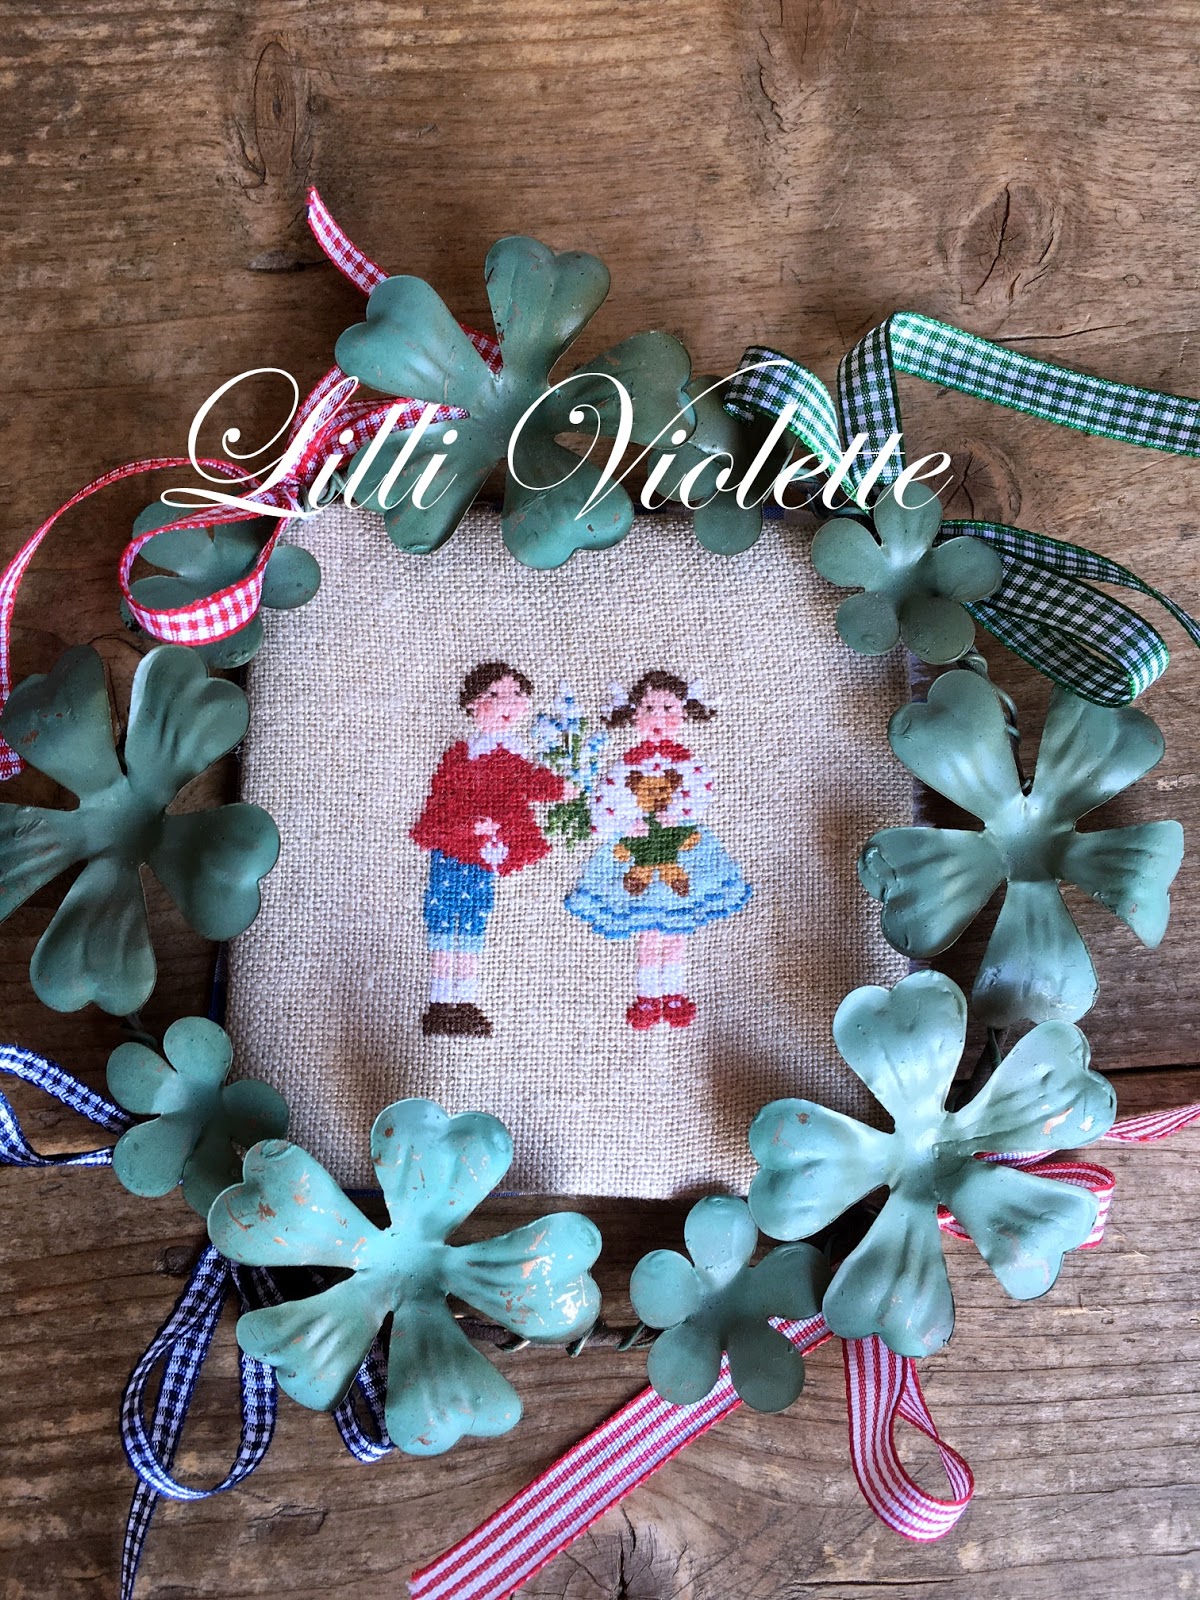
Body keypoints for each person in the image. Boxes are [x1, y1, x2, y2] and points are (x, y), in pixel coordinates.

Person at [564, 669, 751, 1030]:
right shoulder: (628, 764)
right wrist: (626, 822)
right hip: (636, 848)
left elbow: (701, 790)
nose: (658, 717)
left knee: (677, 925)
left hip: (682, 847)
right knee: (648, 928)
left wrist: (677, 813)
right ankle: (648, 996)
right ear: (635, 713)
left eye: (668, 708)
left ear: (682, 711)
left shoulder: (684, 761)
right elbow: (606, 799)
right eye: (649, 708)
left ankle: (674, 993)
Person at [411, 661, 574, 1037]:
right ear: (472, 704)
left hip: (485, 855)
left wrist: (559, 788)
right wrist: (472, 824)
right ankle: (440, 1003)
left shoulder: (511, 754)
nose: (508, 703)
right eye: (496, 694)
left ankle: (464, 1002)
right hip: (452, 850)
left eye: (516, 695)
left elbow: (529, 781)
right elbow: (443, 799)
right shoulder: (461, 754)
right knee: (443, 920)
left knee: (472, 923)